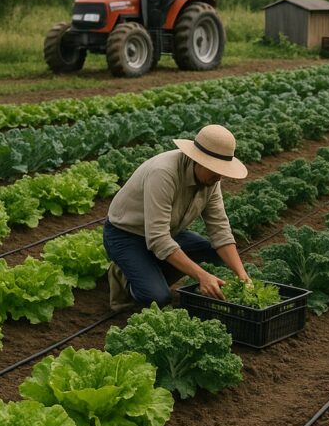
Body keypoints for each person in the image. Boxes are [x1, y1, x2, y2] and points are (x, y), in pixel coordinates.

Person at [104, 124, 251, 312]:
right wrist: (202, 276)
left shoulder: (210, 181)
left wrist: (242, 275)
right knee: (157, 297)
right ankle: (124, 277)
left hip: (169, 233)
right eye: (215, 170)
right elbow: (158, 239)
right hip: (126, 235)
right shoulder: (163, 173)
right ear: (198, 160)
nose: (219, 177)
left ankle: (147, 269)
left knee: (212, 254)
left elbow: (220, 228)